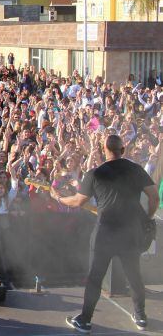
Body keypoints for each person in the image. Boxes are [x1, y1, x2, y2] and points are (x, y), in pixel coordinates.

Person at [52, 134, 159, 333]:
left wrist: (59, 198)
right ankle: (141, 316)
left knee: (95, 277)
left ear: (104, 150)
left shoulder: (95, 173)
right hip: (129, 232)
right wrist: (147, 217)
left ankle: (85, 320)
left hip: (105, 233)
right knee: (134, 275)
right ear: (123, 151)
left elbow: (77, 202)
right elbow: (154, 196)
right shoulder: (135, 169)